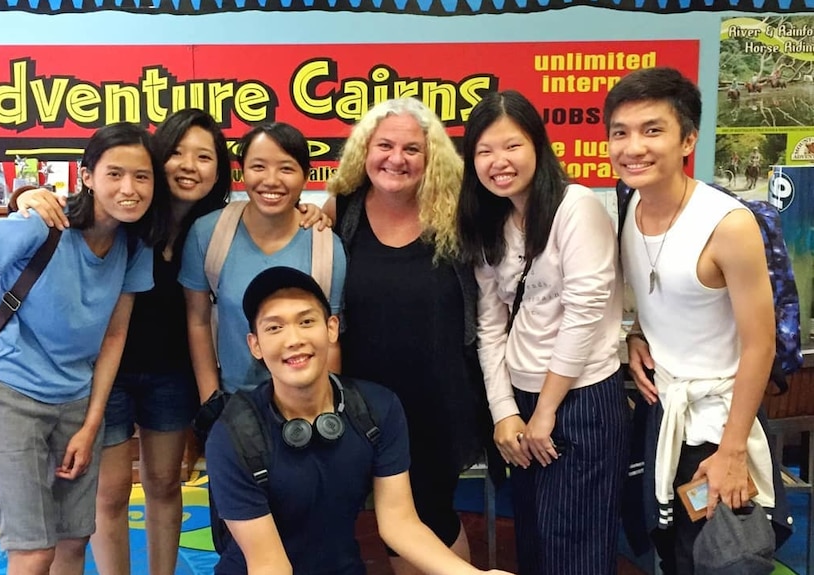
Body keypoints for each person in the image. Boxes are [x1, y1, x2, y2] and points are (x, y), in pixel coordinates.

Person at [13, 110, 330, 575]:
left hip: (174, 372)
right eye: (177, 152)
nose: (188, 165)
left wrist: (313, 208)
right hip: (107, 369)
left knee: (165, 482)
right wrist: (28, 195)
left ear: (221, 170)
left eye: (204, 157)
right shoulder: (131, 209)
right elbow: (75, 208)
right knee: (111, 490)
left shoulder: (217, 227)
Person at [0, 122, 165, 575]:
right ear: (87, 176)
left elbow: (113, 336)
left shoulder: (133, 244)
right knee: (32, 550)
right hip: (11, 392)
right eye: (115, 174)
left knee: (73, 542)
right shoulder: (39, 225)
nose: (129, 188)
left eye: (142, 176)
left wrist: (91, 425)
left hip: (75, 400)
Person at [206, 265, 514, 575]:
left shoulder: (377, 409)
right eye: (274, 328)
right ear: (255, 345)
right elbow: (269, 565)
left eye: (306, 321)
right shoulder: (232, 436)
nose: (293, 339)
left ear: (331, 328)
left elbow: (400, 524)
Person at [606, 66, 790, 574]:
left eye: (652, 130)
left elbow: (760, 345)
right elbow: (660, 300)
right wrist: (636, 336)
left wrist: (732, 452)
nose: (633, 147)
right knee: (671, 552)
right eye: (619, 133)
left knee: (728, 559)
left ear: (687, 139)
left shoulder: (727, 224)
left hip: (719, 423)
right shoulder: (629, 208)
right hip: (663, 414)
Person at [457, 90, 629, 575]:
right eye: (484, 151)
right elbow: (490, 327)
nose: (498, 162)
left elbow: (584, 312)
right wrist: (505, 413)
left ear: (538, 144)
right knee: (534, 543)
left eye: (511, 146)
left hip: (582, 401)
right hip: (525, 403)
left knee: (576, 552)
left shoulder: (576, 207)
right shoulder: (489, 218)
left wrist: (547, 412)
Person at [323, 97, 493, 574]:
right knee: (390, 516)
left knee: (431, 511)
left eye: (411, 149)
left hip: (440, 398)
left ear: (431, 156)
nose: (396, 159)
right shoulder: (342, 211)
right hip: (365, 401)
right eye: (385, 145)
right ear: (364, 150)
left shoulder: (459, 211)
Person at [180, 121, 346, 399]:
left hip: (303, 405)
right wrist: (210, 401)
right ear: (242, 171)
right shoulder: (208, 233)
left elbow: (332, 340)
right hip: (233, 400)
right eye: (258, 167)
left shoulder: (326, 245)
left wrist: (328, 411)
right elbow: (198, 322)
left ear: (306, 175)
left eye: (286, 168)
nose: (271, 180)